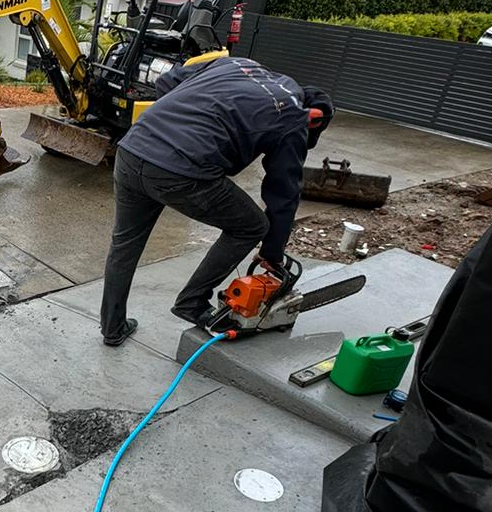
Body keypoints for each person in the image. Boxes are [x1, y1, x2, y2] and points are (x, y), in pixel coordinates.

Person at [99, 55, 335, 344]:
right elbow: (283, 193)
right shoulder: (294, 114)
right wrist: (273, 252)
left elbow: (166, 82)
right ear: (315, 119)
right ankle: (192, 301)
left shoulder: (238, 64)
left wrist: (181, 122)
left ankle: (112, 328)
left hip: (133, 148)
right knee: (250, 226)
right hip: (182, 170)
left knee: (125, 243)